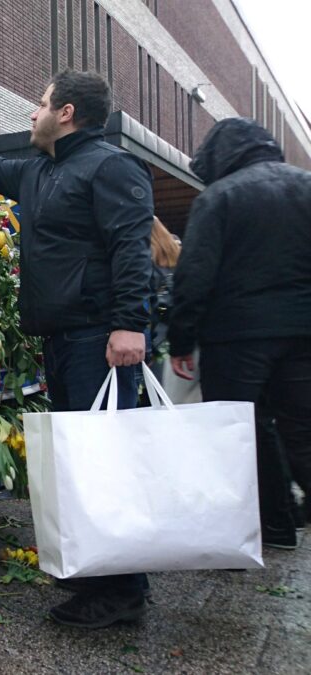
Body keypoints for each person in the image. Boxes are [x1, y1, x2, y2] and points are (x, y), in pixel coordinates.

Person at [0, 70, 154, 628]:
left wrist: (130, 325)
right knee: (79, 463)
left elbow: (131, 250)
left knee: (103, 463)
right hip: (62, 338)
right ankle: (99, 574)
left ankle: (121, 591)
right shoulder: (41, 171)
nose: (31, 114)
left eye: (40, 104)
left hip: (100, 340)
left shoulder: (110, 167)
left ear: (66, 113)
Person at [168, 117, 311, 549]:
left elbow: (194, 275)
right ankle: (283, 523)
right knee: (301, 435)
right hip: (303, 332)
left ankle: (248, 532)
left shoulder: (220, 197)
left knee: (233, 434)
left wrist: (181, 340)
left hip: (236, 336)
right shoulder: (305, 185)